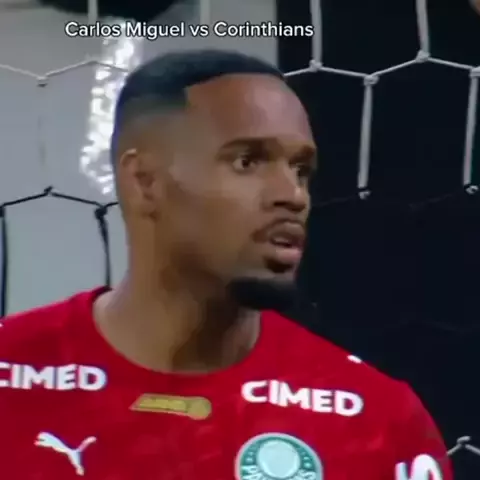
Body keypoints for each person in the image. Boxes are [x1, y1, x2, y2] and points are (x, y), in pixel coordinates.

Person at [0, 49, 451, 480]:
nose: (292, 195)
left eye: (300, 170)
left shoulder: (377, 422)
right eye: (247, 161)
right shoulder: (12, 375)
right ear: (144, 182)